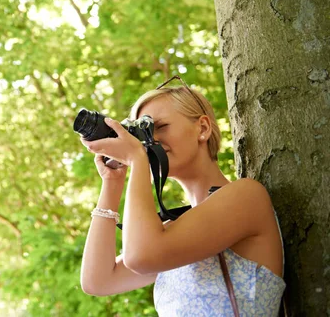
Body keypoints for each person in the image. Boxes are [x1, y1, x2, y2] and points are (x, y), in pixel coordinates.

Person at [79, 77, 286, 316]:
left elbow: (141, 257)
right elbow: (98, 280)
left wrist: (137, 159)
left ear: (203, 128)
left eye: (160, 126)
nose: (149, 142)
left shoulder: (246, 197)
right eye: (142, 134)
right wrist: (112, 182)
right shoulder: (170, 232)